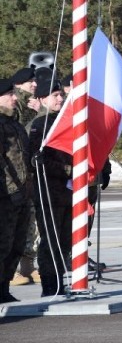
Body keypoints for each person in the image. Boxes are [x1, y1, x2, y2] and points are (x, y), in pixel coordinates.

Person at [28, 77, 69, 297]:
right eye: (55, 95)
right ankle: (50, 285)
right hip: (48, 192)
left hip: (65, 193)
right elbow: (37, 160)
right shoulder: (40, 125)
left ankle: (60, 283)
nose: (60, 98)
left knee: (64, 242)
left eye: (61, 94)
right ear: (42, 99)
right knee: (50, 242)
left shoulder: (64, 120)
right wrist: (69, 171)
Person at [0, 78, 32, 303]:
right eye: (10, 94)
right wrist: (12, 190)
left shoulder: (15, 124)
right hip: (6, 197)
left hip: (23, 194)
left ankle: (4, 287)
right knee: (3, 244)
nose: (15, 97)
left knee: (17, 245)